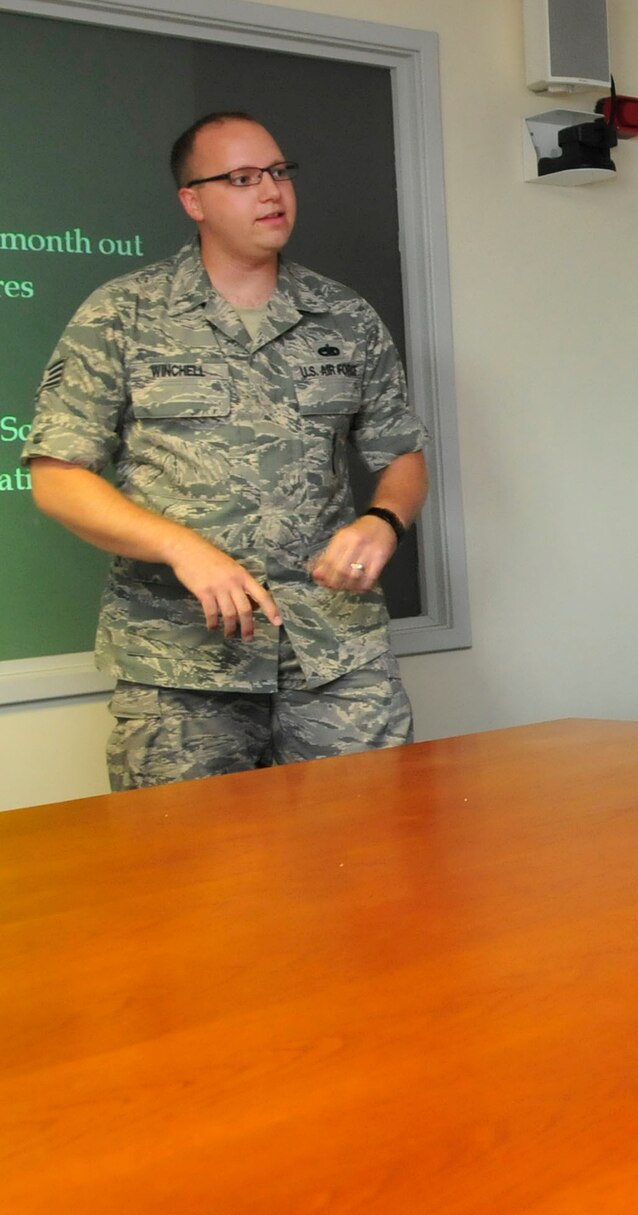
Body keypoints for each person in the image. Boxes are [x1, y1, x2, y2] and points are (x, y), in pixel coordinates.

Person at [22, 112, 429, 790]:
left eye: (278, 173)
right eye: (241, 179)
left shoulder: (344, 315)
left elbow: (402, 455)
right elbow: (57, 477)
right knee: (189, 881)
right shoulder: (122, 314)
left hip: (335, 656)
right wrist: (182, 547)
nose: (271, 193)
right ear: (194, 201)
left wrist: (382, 521)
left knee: (373, 865)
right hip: (181, 666)